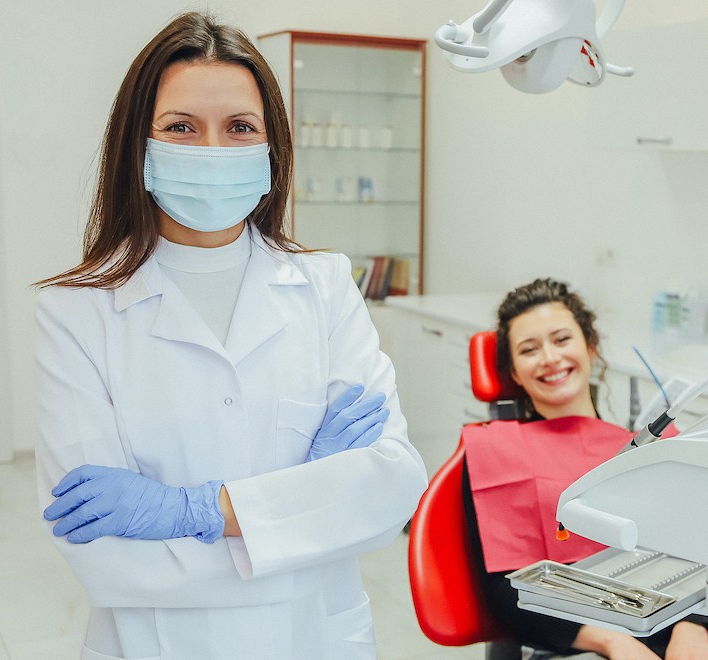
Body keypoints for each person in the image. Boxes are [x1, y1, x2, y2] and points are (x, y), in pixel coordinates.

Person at [33, 12, 426, 659]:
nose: (211, 149)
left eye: (240, 127)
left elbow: (391, 492)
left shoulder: (326, 286)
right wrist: (310, 506)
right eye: (181, 127)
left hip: (319, 639)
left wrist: (199, 512)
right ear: (140, 145)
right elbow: (104, 562)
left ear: (271, 148)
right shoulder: (74, 311)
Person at [462, 278, 708, 660]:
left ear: (590, 347)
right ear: (515, 373)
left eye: (562, 339)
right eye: (529, 349)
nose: (549, 357)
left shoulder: (651, 449)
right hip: (575, 641)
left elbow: (703, 552)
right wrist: (611, 642)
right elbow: (504, 591)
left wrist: (694, 631)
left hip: (673, 626)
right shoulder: (495, 456)